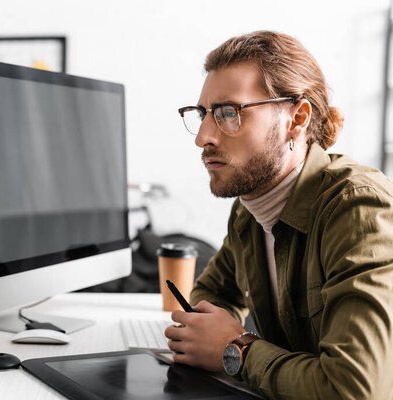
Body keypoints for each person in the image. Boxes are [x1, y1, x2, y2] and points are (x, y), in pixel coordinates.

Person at [166, 30, 393, 399]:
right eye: (203, 113)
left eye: (228, 112)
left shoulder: (358, 208)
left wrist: (235, 350)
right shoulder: (249, 210)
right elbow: (212, 292)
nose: (203, 136)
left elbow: (353, 389)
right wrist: (204, 335)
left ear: (297, 118)